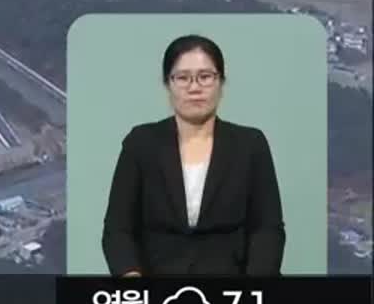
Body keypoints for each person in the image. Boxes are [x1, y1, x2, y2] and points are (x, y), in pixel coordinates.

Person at [101, 35, 285, 277]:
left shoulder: (250, 144)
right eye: (183, 78)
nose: (195, 87)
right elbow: (118, 229)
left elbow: (267, 228)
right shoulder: (141, 143)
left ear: (221, 83)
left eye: (205, 77)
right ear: (168, 84)